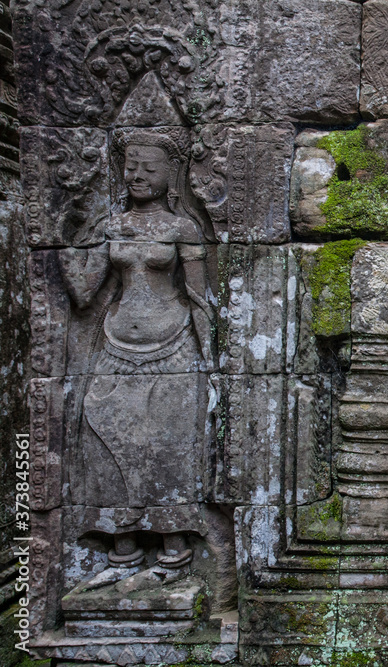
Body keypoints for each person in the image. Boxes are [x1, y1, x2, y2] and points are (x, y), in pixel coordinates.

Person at [60, 129, 216, 593]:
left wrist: (215, 361)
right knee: (103, 437)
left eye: (149, 169)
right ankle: (122, 550)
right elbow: (86, 293)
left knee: (168, 447)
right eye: (131, 167)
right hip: (115, 345)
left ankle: (173, 551)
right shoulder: (114, 224)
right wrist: (63, 238)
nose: (138, 177)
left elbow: (199, 296)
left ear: (171, 175)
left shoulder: (181, 228)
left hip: (173, 346)